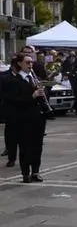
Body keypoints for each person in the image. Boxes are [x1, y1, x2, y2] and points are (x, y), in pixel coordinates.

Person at [4, 54, 47, 183]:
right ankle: (25, 173)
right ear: (20, 64)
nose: (30, 65)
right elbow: (12, 100)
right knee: (25, 146)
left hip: (37, 117)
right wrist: (32, 96)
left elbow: (40, 97)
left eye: (31, 63)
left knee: (37, 146)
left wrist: (42, 93)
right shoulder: (14, 81)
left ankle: (35, 171)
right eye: (27, 63)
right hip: (23, 118)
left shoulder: (34, 78)